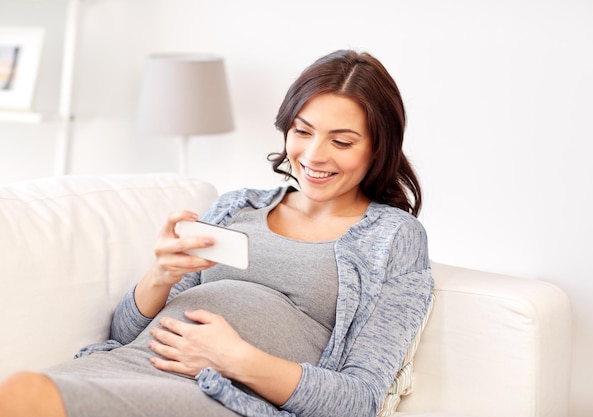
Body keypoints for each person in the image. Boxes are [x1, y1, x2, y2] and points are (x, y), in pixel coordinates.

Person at [0, 49, 434, 417]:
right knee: (25, 392)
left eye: (341, 142)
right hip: (128, 364)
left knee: (26, 395)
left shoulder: (394, 237)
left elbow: (359, 399)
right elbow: (122, 332)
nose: (314, 155)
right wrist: (161, 275)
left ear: (379, 147)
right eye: (302, 131)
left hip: (222, 395)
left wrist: (236, 359)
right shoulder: (237, 205)